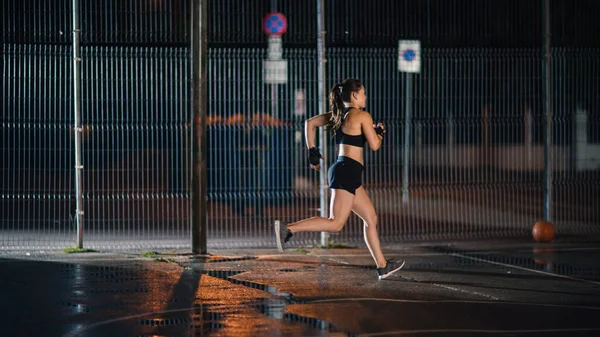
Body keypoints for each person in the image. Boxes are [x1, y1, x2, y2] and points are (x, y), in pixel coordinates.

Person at [274, 78, 405, 280]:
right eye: (363, 92)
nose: (365, 96)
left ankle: (382, 266)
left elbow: (309, 123)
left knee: (371, 218)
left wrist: (312, 152)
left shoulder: (337, 115)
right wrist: (379, 133)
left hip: (346, 171)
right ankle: (288, 229)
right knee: (336, 224)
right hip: (346, 171)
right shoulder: (362, 115)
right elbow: (375, 145)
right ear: (355, 95)